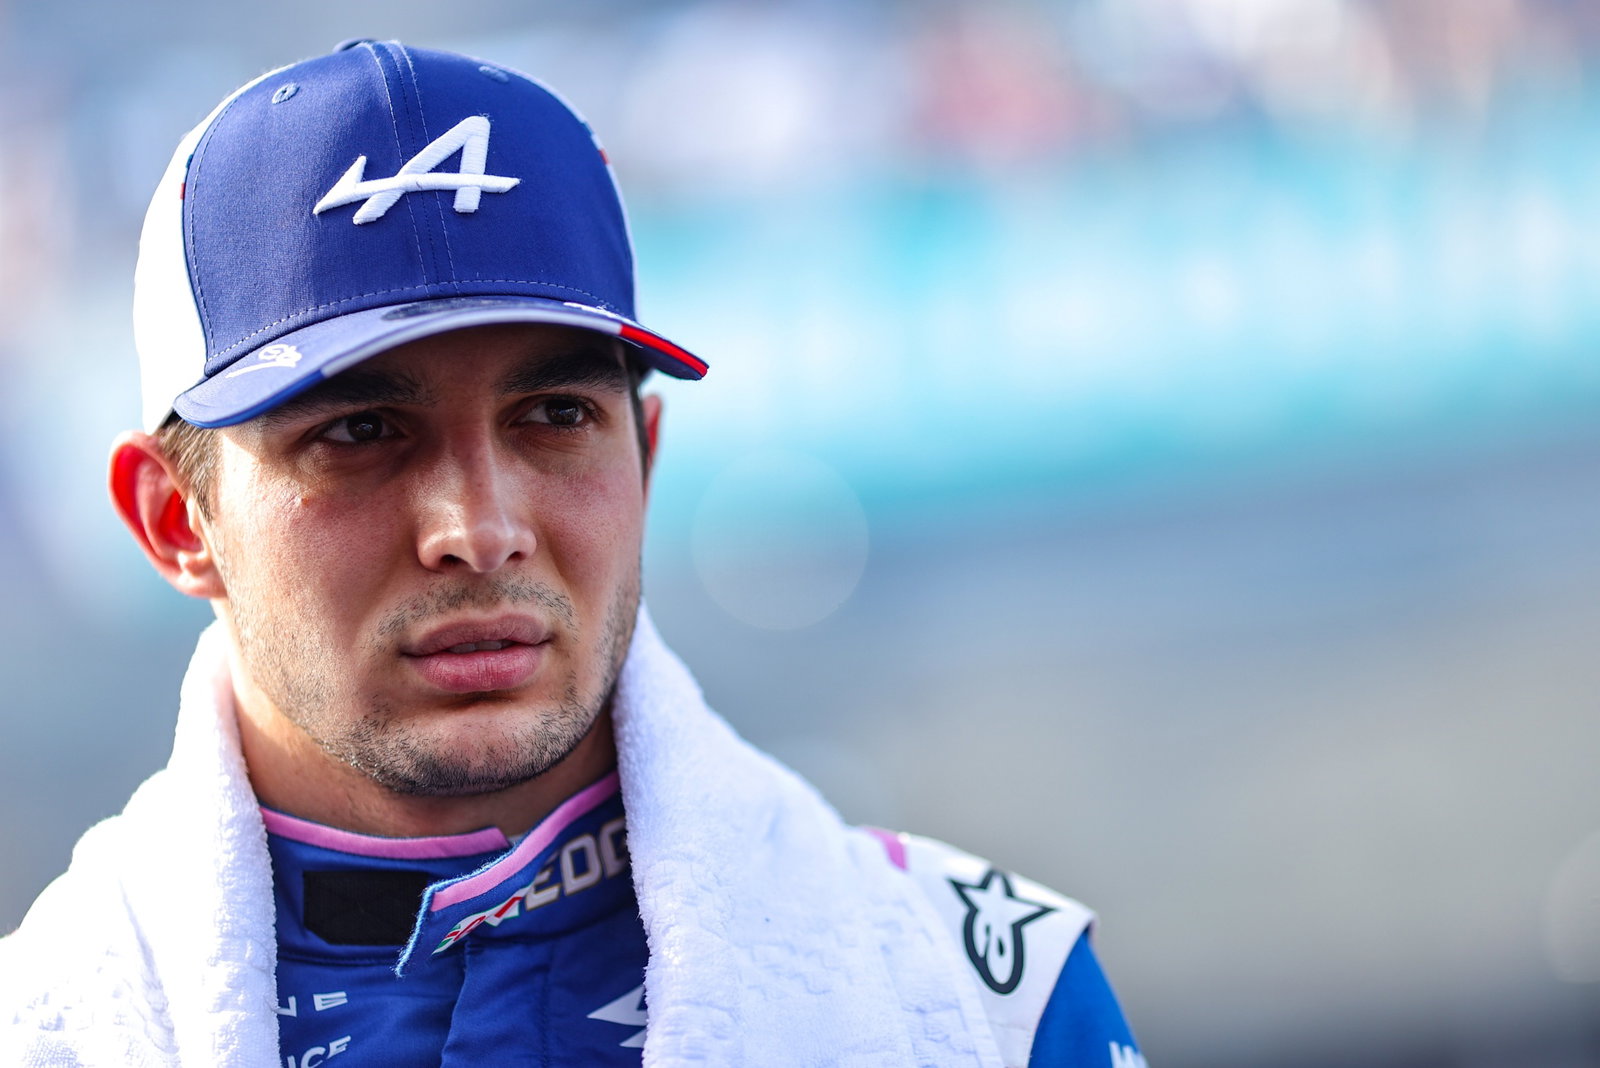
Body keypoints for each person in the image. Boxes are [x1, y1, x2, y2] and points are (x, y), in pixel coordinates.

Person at [0, 40, 1144, 1068]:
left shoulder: (990, 999)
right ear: (172, 520)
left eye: (551, 415)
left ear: (642, 457)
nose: (479, 529)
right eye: (358, 433)